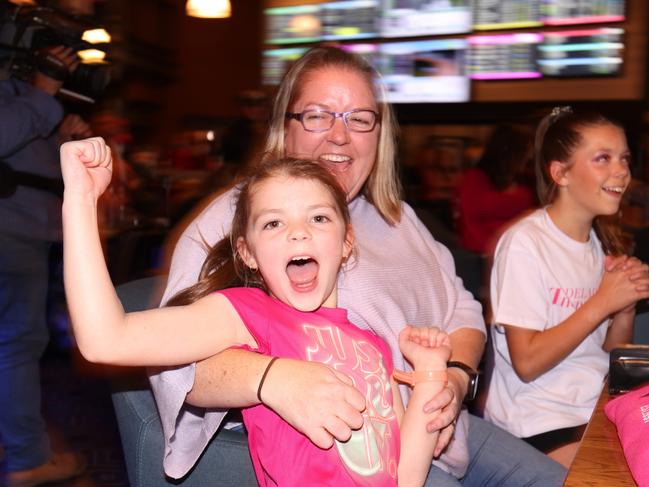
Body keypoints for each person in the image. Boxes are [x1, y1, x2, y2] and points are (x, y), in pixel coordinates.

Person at [118, 46, 566, 486]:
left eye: (359, 118)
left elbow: (464, 310)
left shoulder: (398, 217)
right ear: (283, 126)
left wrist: (453, 376)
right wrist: (272, 378)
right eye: (317, 115)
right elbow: (176, 365)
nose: (339, 135)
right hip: (358, 457)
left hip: (449, 434)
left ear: (380, 134)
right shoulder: (241, 219)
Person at [61, 137, 452, 486]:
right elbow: (106, 340)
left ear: (346, 241)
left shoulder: (374, 346)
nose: (298, 232)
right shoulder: (247, 313)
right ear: (247, 253)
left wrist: (431, 373)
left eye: (318, 217)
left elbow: (407, 474)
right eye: (273, 223)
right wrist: (80, 199)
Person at [484, 107, 649, 469]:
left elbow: (607, 351)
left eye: (624, 159)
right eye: (602, 159)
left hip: (593, 409)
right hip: (537, 421)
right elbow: (527, 362)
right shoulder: (525, 243)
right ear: (560, 173)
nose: (621, 170)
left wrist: (623, 306)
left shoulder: (598, 245)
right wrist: (603, 302)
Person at [0, 45, 90, 486]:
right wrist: (41, 94)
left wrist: (61, 142)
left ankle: (19, 446)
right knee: (16, 344)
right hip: (10, 230)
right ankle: (26, 457)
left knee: (14, 343)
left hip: (21, 229)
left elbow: (18, 154)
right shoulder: (25, 87)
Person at [456, 124, 535, 256]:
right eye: (524, 153)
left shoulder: (526, 180)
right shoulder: (475, 178)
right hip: (481, 254)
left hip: (514, 251)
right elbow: (470, 224)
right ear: (509, 153)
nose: (528, 158)